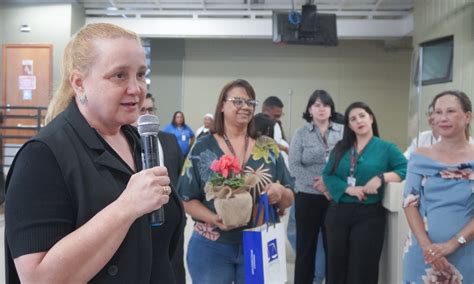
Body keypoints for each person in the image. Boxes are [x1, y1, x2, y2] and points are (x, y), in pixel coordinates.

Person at [4, 23, 185, 283]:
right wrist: (126, 207)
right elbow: (37, 278)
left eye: (140, 74)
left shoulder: (137, 142)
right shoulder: (43, 157)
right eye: (119, 75)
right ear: (79, 83)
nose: (136, 88)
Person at [177, 79, 294, 284]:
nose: (245, 107)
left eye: (250, 102)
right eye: (238, 101)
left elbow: (289, 197)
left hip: (259, 243)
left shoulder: (268, 147)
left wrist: (281, 193)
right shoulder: (203, 147)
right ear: (222, 105)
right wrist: (214, 218)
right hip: (212, 247)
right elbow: (186, 199)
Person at [322, 101, 407, 284]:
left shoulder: (386, 148)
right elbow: (327, 175)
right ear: (349, 126)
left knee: (363, 268)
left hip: (368, 215)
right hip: (338, 213)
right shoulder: (341, 147)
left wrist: (381, 178)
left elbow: (405, 169)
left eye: (362, 115)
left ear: (371, 118)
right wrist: (347, 188)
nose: (358, 121)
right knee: (336, 267)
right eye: (353, 119)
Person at [403, 90, 474, 284]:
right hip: (423, 251)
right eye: (438, 112)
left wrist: (453, 243)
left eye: (450, 111)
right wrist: (428, 247)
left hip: (467, 250)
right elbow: (409, 204)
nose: (443, 118)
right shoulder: (419, 156)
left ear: (467, 116)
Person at [288, 90, 344, 284]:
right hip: (307, 196)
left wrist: (330, 186)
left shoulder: (343, 132)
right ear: (310, 110)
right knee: (306, 248)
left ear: (331, 110)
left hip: (335, 198)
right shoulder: (301, 133)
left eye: (326, 105)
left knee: (334, 248)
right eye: (317, 105)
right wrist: (320, 184)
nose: (322, 109)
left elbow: (349, 163)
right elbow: (294, 166)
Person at [139, 92, 186, 284]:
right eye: (142, 110)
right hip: (140, 226)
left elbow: (178, 176)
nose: (146, 114)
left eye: (150, 110)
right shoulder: (123, 143)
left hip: (170, 223)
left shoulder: (169, 140)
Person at [261, 96, 289, 166]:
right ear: (265, 112)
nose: (278, 119)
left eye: (280, 116)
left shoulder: (277, 125)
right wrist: (285, 149)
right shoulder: (257, 125)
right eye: (276, 116)